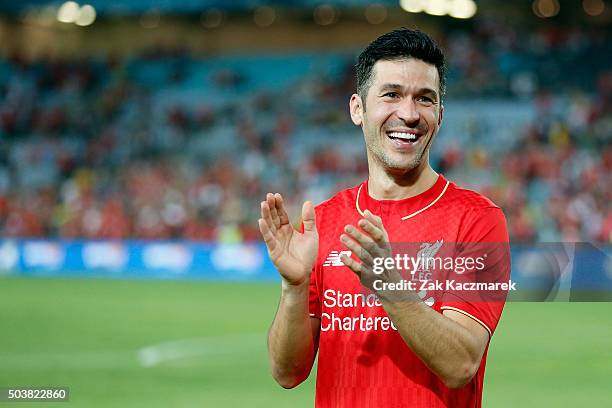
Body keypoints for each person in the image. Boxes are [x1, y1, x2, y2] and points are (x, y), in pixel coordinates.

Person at [258, 28, 510, 408]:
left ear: (439, 115)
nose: (408, 114)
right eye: (391, 94)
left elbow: (461, 363)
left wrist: (388, 284)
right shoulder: (324, 222)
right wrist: (294, 288)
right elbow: (287, 373)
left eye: (425, 99)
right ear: (358, 108)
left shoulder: (479, 221)